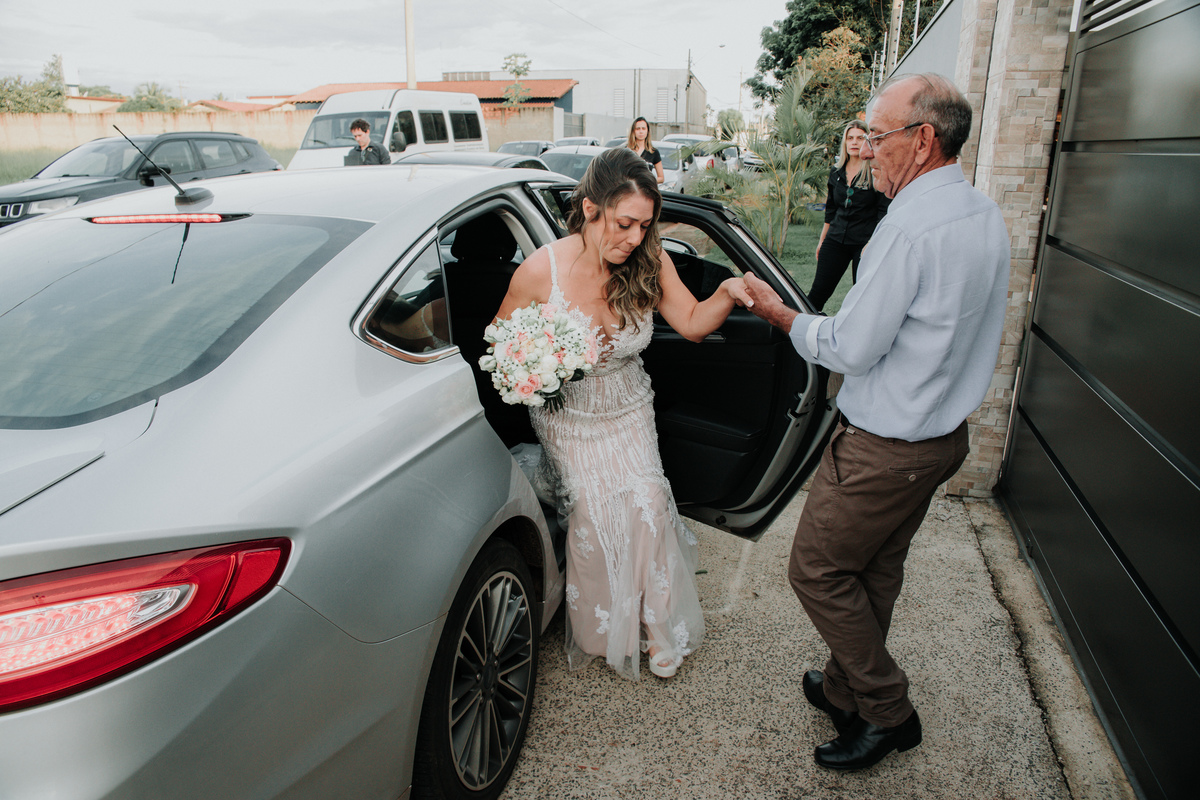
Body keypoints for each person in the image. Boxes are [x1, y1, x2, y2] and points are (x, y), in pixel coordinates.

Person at [741, 73, 1011, 770]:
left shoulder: (910, 228)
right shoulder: (982, 214)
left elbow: (851, 346)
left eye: (879, 136)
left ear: (922, 140)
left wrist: (778, 314)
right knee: (875, 572)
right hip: (939, 441)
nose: (867, 152)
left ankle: (888, 710)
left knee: (817, 571)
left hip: (883, 448)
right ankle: (844, 688)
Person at [493, 147, 749, 680]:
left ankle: (657, 623)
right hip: (570, 418)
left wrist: (727, 290)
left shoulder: (650, 261)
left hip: (629, 405)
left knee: (648, 499)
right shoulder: (541, 271)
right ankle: (607, 626)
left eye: (645, 225)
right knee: (594, 510)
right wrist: (537, 367)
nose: (635, 238)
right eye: (625, 223)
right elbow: (500, 345)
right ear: (591, 208)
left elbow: (693, 322)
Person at [809, 120, 891, 312]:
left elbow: (883, 211)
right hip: (836, 238)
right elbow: (831, 209)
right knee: (816, 295)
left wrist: (872, 243)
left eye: (860, 138)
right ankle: (799, 328)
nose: (854, 142)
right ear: (845, 142)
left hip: (864, 243)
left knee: (862, 298)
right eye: (850, 138)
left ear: (868, 141)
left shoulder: (875, 171)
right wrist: (822, 240)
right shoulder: (836, 172)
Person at [626, 117, 664, 184]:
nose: (641, 131)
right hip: (630, 188)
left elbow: (661, 178)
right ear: (633, 131)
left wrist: (647, 181)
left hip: (646, 188)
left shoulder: (654, 152)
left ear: (647, 131)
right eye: (638, 129)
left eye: (643, 128)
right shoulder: (626, 151)